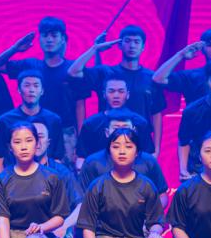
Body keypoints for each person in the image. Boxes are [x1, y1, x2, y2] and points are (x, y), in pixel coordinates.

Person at [0, 17, 86, 162]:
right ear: (40, 39)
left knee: (62, 172)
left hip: (64, 132)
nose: (49, 40)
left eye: (54, 35)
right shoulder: (30, 65)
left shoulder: (72, 69)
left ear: (62, 39)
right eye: (45, 35)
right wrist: (15, 48)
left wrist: (80, 140)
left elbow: (80, 105)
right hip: (29, 130)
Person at [68, 25, 166, 156]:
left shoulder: (152, 77)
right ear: (119, 45)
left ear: (143, 47)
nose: (132, 46)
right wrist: (95, 49)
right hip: (106, 142)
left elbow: (156, 113)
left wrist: (157, 149)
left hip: (140, 143)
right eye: (127, 41)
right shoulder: (106, 72)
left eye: (136, 42)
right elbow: (73, 72)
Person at [32, 121, 81, 238]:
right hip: (25, 230)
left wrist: (64, 225)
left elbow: (81, 204)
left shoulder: (61, 172)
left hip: (54, 229)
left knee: (66, 232)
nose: (37, 142)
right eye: (33, 137)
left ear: (48, 142)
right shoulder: (13, 173)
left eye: (41, 137)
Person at [78, 112, 169, 207]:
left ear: (134, 130)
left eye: (126, 127)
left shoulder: (149, 161)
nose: (121, 132)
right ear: (107, 132)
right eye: (116, 128)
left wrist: (151, 212)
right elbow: (83, 199)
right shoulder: (92, 163)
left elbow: (162, 195)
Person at [0, 70, 64, 174]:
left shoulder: (53, 120)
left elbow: (57, 156)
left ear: (42, 91)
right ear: (19, 90)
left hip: (46, 174)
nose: (31, 90)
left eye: (36, 86)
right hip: (14, 174)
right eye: (27, 85)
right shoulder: (5, 120)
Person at [76, 78, 153, 162]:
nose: (116, 96)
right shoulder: (91, 124)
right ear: (104, 94)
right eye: (111, 91)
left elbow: (148, 155)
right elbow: (81, 157)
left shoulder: (140, 123)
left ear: (128, 95)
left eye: (121, 91)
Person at [153, 28, 211, 105]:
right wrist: (181, 54)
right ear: (202, 49)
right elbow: (158, 79)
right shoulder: (190, 76)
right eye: (210, 45)